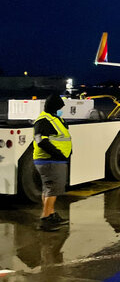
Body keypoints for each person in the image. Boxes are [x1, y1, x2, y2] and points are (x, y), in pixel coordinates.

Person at [33, 94, 72, 231]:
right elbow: (41, 141)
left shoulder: (53, 118)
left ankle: (50, 214)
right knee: (52, 189)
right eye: (60, 107)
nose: (61, 109)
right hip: (50, 160)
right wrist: (59, 154)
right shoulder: (43, 120)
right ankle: (45, 219)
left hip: (52, 160)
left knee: (48, 189)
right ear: (55, 106)